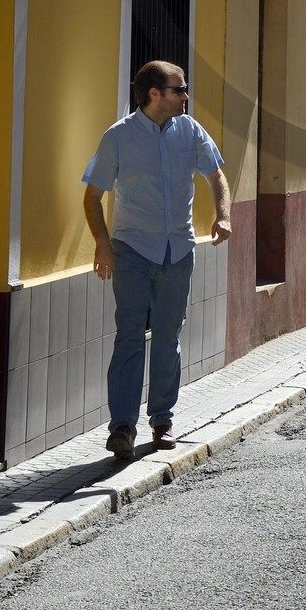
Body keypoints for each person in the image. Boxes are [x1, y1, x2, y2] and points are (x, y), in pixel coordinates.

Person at [83, 60, 232, 461]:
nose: (186, 96)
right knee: (130, 336)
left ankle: (162, 420)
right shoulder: (119, 137)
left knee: (168, 337)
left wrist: (224, 214)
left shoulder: (191, 131)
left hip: (178, 250)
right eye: (179, 89)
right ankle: (122, 428)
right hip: (131, 250)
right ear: (155, 94)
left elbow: (216, 176)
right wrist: (102, 243)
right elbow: (92, 196)